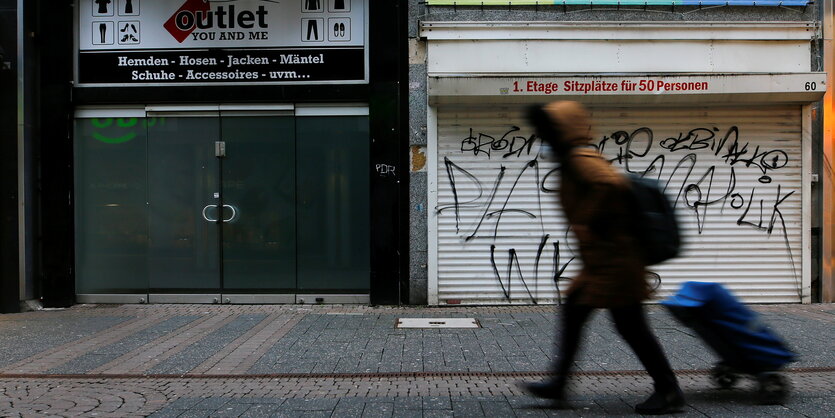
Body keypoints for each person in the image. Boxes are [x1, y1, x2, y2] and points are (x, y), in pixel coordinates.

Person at [520, 101, 685, 415]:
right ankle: (558, 384)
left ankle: (669, 390)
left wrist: (585, 219)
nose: (541, 137)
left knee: (631, 326)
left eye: (547, 130)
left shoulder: (580, 158)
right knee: (574, 311)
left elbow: (609, 183)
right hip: (601, 263)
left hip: (617, 264)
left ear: (562, 131)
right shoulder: (573, 158)